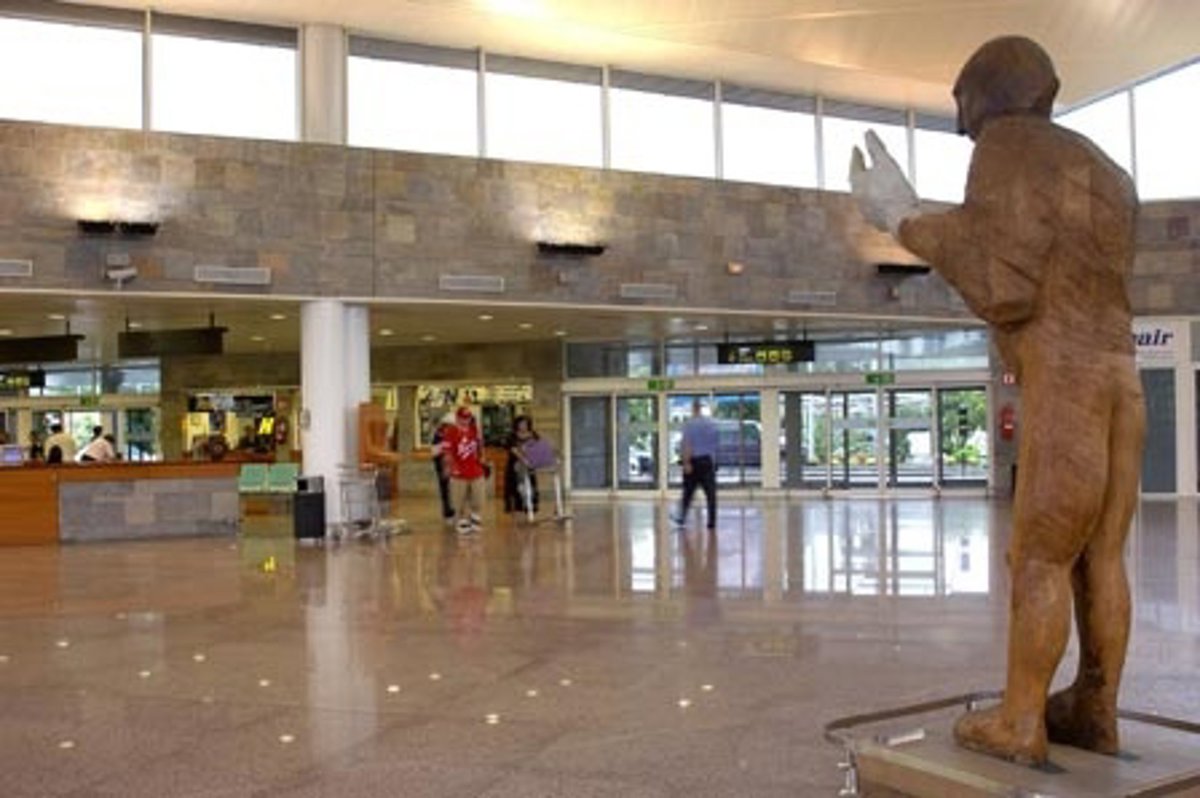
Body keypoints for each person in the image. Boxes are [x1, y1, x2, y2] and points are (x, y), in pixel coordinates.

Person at [850, 36, 1144, 765]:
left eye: (962, 102)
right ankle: (1096, 708)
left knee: (1040, 555)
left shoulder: (1009, 146)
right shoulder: (1108, 170)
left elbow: (1003, 282)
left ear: (992, 92)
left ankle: (1020, 719)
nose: (961, 125)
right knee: (1103, 555)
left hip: (1067, 376)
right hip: (1122, 374)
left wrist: (902, 215)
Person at [437, 406, 488, 534]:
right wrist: (448, 466)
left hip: (475, 469)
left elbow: (480, 446)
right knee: (459, 497)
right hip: (458, 470)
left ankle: (475, 517)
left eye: (467, 418)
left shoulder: (474, 430)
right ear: (457, 418)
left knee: (478, 495)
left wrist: (482, 458)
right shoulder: (451, 432)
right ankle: (461, 519)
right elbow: (447, 451)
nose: (465, 421)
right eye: (462, 418)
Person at [672, 399, 718, 530]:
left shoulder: (689, 425)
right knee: (710, 494)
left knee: (688, 492)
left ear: (694, 409)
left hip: (694, 462)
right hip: (708, 461)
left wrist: (686, 462)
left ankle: (681, 517)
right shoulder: (711, 424)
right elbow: (714, 445)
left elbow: (687, 444)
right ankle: (711, 522)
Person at [504, 415, 539, 517]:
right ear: (517, 425)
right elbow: (514, 450)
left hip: (529, 465)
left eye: (525, 423)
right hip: (515, 467)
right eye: (521, 424)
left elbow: (539, 447)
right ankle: (516, 512)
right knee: (515, 489)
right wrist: (524, 460)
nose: (523, 426)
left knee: (530, 487)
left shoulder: (533, 435)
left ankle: (530, 510)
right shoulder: (512, 436)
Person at [431, 412, 456, 524]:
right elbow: (434, 452)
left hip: (453, 465)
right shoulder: (438, 436)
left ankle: (455, 510)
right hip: (442, 464)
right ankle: (447, 512)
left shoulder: (453, 434)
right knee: (445, 489)